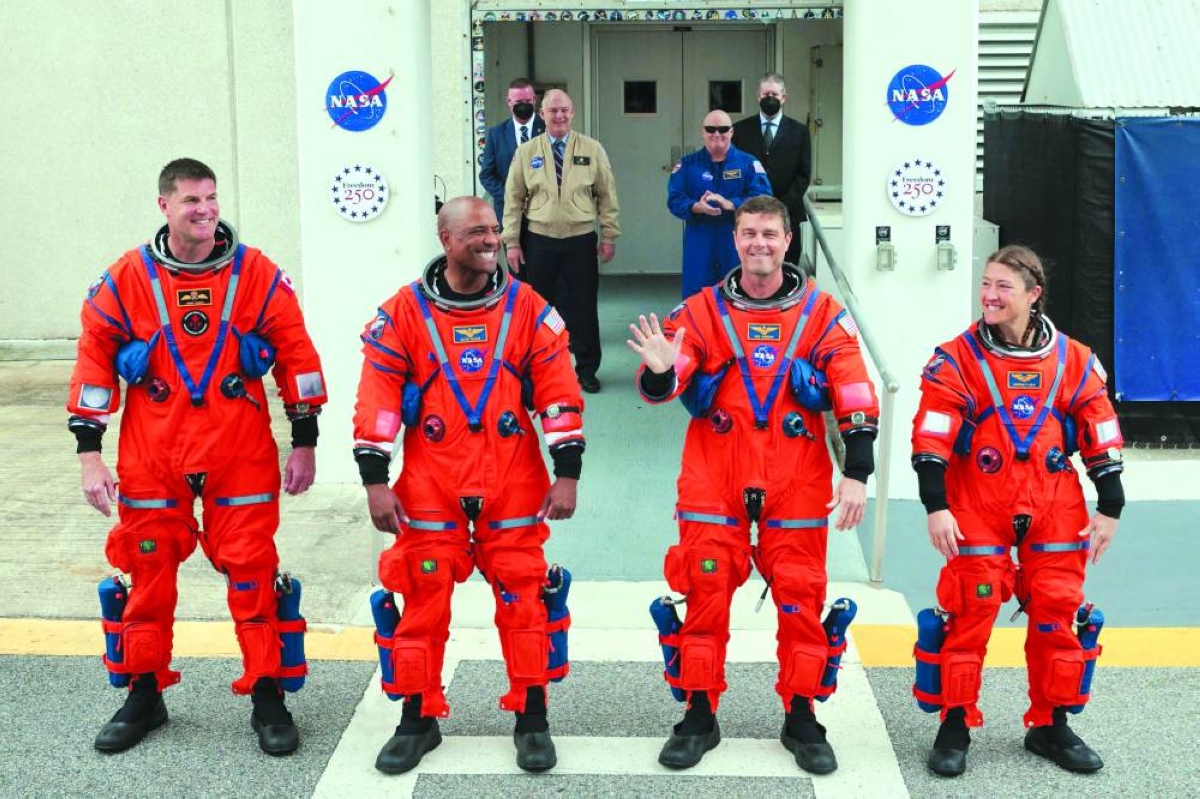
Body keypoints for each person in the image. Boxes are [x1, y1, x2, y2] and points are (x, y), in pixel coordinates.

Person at [70, 158, 328, 756]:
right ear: (164, 205)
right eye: (191, 200)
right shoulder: (127, 277)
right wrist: (90, 454)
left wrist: (306, 441)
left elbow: (296, 353)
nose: (205, 209)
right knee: (148, 570)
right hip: (152, 451)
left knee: (251, 570)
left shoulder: (256, 273)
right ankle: (144, 691)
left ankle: (269, 693)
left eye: (211, 198)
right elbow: (92, 361)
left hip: (238, 449)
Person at [628, 195, 878, 774]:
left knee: (800, 597)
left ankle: (801, 714)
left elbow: (855, 392)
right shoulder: (701, 311)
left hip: (795, 476)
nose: (758, 243)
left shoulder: (821, 313)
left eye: (769, 233)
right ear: (734, 240)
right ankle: (698, 714)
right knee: (705, 594)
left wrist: (857, 473)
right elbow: (664, 379)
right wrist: (664, 369)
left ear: (788, 240)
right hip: (715, 476)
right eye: (748, 233)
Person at [354, 196, 585, 775]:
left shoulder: (527, 308)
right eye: (476, 231)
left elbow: (558, 391)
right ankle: (417, 719)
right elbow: (377, 400)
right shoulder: (403, 314)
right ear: (445, 238)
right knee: (421, 601)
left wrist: (568, 472)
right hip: (431, 481)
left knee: (525, 601)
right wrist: (376, 482)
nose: (490, 239)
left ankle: (532, 717)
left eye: (493, 230)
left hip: (511, 478)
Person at [911, 245, 1124, 777]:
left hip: (1054, 501)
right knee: (970, 610)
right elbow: (932, 436)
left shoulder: (1073, 359)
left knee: (1057, 611)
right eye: (986, 284)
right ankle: (955, 723)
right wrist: (936, 506)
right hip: (978, 501)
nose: (990, 295)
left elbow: (1100, 428)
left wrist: (1111, 505)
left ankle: (1050, 726)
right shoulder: (956, 357)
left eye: (1004, 286)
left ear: (1034, 295)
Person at [504, 89, 620, 394]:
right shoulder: (527, 152)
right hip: (539, 241)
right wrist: (512, 242)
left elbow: (607, 196)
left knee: (583, 307)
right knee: (539, 309)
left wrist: (609, 235)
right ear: (542, 114)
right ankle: (538, 371)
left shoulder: (592, 149)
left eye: (565, 110)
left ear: (573, 113)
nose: (559, 116)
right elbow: (513, 200)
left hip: (580, 241)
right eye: (553, 111)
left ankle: (587, 369)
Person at [668, 109, 772, 299]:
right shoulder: (687, 165)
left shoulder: (748, 164)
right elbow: (675, 199)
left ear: (732, 132)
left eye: (723, 129)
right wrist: (695, 207)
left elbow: (764, 198)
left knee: (738, 293)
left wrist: (732, 204)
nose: (717, 134)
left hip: (736, 241)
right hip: (699, 240)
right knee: (696, 297)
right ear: (703, 131)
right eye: (711, 129)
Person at [732, 73, 812, 268]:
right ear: (758, 96)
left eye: (775, 94)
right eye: (766, 93)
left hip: (787, 213)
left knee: (787, 267)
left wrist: (780, 205)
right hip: (749, 212)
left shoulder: (799, 131)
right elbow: (735, 171)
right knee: (749, 266)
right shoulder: (740, 130)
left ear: (783, 97)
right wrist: (751, 202)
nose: (770, 98)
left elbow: (803, 174)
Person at [479, 78, 545, 232]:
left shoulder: (548, 129)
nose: (523, 105)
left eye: (527, 100)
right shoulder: (496, 133)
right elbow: (486, 175)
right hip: (509, 215)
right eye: (518, 101)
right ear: (509, 102)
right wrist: (510, 196)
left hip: (544, 214)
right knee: (514, 256)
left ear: (535, 100)